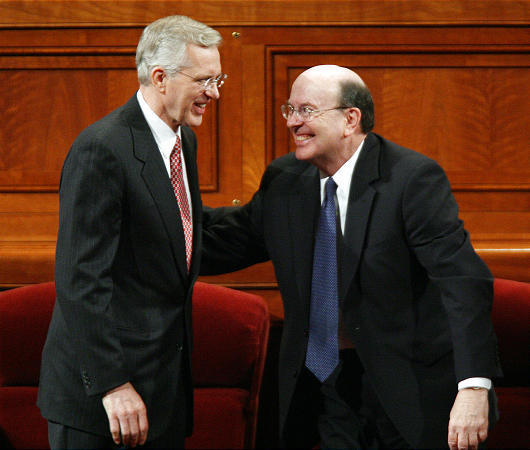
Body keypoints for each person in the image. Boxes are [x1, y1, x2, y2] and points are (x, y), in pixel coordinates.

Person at [201, 65, 502, 449]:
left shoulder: (411, 180)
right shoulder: (284, 180)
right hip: (326, 388)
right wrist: (150, 218)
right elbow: (227, 240)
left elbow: (464, 284)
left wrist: (474, 386)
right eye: (289, 110)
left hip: (407, 387)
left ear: (350, 119)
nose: (293, 122)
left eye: (306, 110)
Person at [37, 15, 226, 449]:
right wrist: (112, 385)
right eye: (204, 80)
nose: (214, 93)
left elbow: (179, 234)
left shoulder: (183, 142)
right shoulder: (102, 148)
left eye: (219, 79)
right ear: (160, 77)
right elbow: (81, 278)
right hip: (104, 403)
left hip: (161, 393)